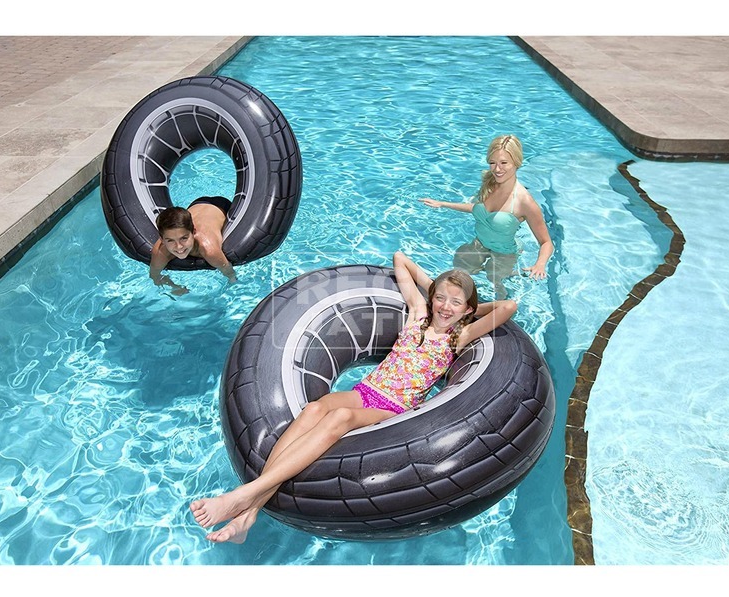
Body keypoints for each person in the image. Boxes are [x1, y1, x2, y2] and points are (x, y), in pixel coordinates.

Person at [189, 251, 518, 543]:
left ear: (467, 309)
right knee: (314, 409)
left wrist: (468, 310)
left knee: (341, 418)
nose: (445, 307)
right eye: (441, 299)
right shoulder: (418, 312)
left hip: (395, 408)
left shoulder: (460, 336)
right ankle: (247, 515)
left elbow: (508, 307)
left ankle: (244, 495)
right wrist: (438, 293)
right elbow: (400, 259)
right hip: (366, 391)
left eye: (455, 303)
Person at [420, 134, 554, 299]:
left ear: (516, 162)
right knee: (459, 270)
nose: (497, 169)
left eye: (504, 163)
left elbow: (546, 242)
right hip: (480, 243)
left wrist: (540, 264)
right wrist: (443, 204)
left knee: (495, 280)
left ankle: (506, 280)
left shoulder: (524, 202)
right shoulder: (490, 184)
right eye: (492, 163)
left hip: (504, 251)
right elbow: (478, 209)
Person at [149, 196, 238, 295]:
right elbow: (155, 276)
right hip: (196, 204)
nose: (179, 247)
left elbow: (230, 274)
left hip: (221, 207)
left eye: (184, 238)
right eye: (170, 240)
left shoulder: (209, 249)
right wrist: (174, 287)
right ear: (162, 240)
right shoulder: (160, 252)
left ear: (194, 232)